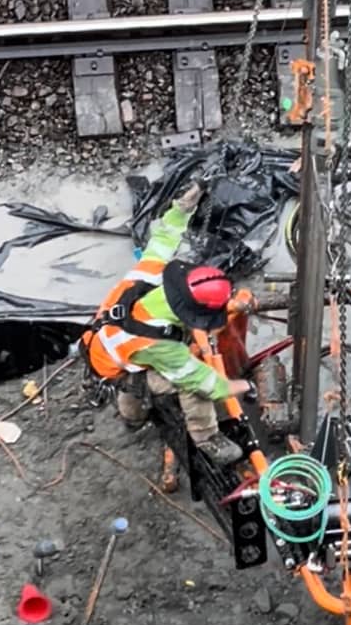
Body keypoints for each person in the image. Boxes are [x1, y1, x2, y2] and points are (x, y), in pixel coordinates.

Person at [79, 181, 255, 465]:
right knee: (188, 388)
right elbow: (200, 380)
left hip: (104, 343)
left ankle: (133, 417)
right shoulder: (157, 343)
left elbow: (164, 238)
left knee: (133, 380)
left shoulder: (149, 276)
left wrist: (183, 208)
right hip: (117, 366)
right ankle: (207, 439)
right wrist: (238, 387)